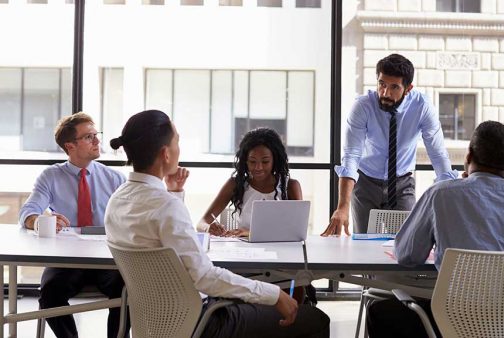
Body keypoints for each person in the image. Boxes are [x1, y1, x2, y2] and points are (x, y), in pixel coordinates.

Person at [105, 110, 329, 338]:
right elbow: (204, 277)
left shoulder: (117, 200)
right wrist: (275, 294)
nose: (179, 149)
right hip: (202, 321)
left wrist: (174, 193)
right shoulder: (166, 206)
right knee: (316, 319)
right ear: (165, 154)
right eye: (177, 142)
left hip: (154, 320)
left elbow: (164, 240)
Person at [366, 121, 504, 338]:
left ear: (468, 156)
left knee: (379, 312)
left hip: (457, 318)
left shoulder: (441, 194)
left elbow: (407, 254)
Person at [19, 112, 128, 338]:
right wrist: (39, 221)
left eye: (96, 135)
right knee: (50, 293)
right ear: (70, 146)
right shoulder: (50, 176)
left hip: (108, 258)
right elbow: (28, 212)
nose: (97, 141)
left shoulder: (115, 178)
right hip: (66, 260)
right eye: (89, 137)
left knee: (128, 289)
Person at [322, 53, 456, 237]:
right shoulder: (363, 106)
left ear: (408, 88)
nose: (385, 92)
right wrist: (342, 207)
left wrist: (451, 198)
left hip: (402, 183)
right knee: (364, 245)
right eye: (382, 84)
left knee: (405, 243)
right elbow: (352, 155)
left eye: (394, 87)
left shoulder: (422, 107)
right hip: (366, 183)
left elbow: (438, 154)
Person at [199, 127, 301, 237]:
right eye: (252, 161)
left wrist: (249, 233)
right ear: (245, 161)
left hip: (281, 250)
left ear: (275, 160)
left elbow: (298, 231)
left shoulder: (290, 186)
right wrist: (207, 228)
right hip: (244, 250)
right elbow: (201, 223)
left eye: (265, 161)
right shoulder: (235, 184)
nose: (258, 167)